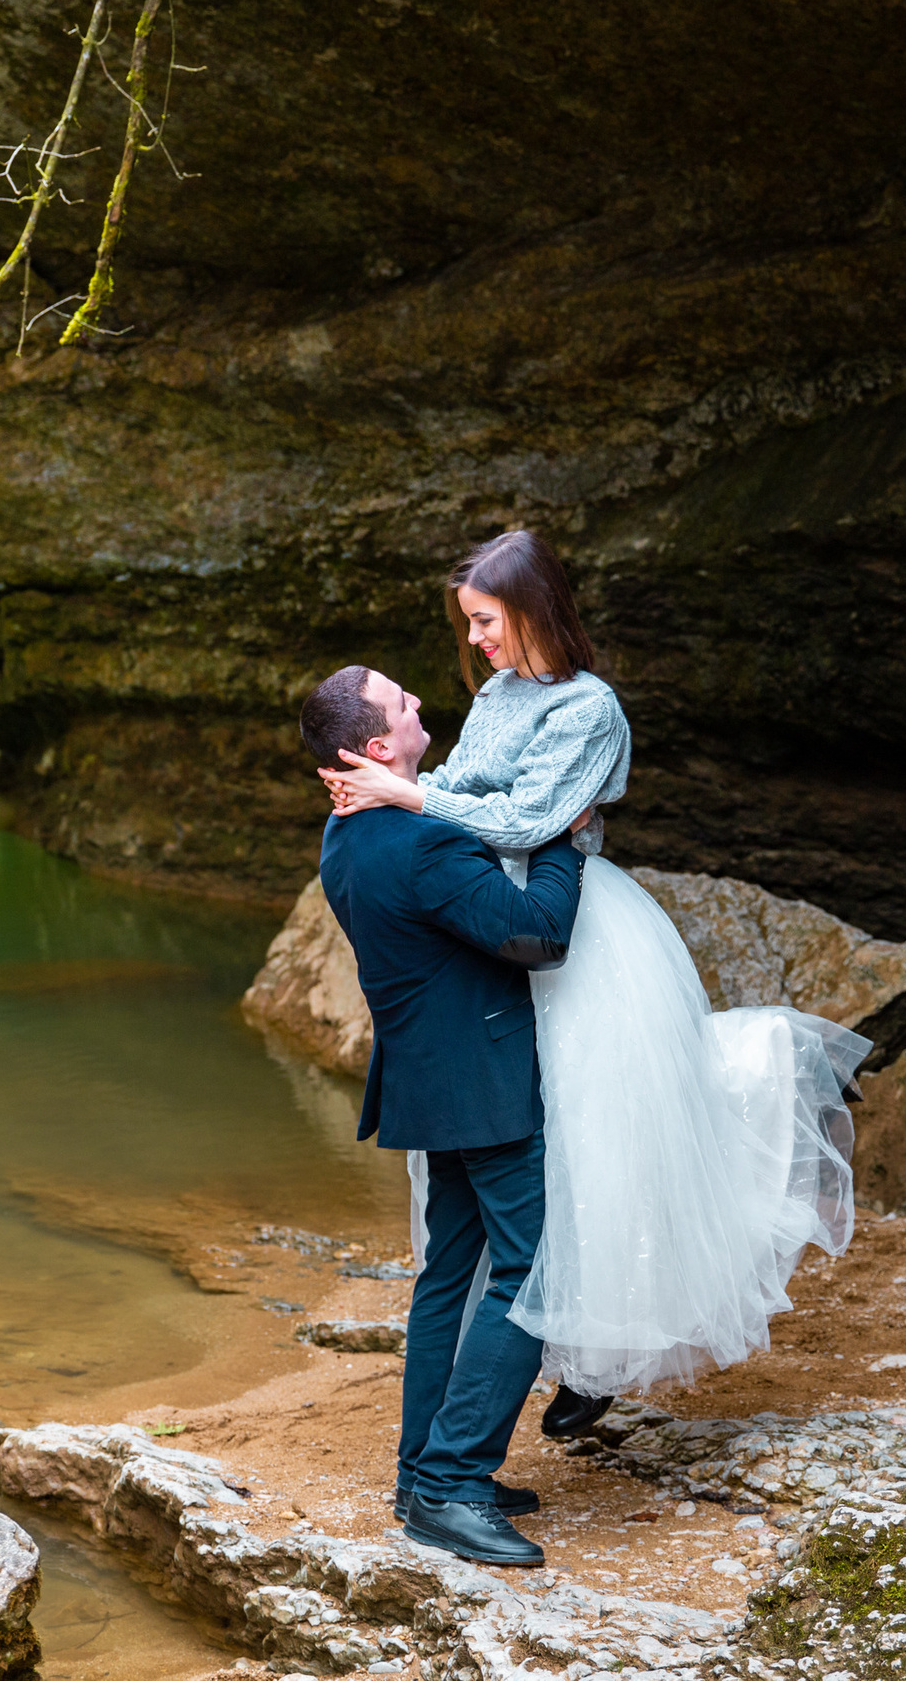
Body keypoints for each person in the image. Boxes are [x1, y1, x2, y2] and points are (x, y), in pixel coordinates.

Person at [323, 530, 865, 1404]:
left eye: (485, 620)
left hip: (564, 921)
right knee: (548, 1154)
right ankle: (557, 1355)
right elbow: (467, 785)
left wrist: (409, 797)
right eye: (469, 623)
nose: (475, 641)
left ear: (531, 609)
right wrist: (410, 801)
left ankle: (602, 1347)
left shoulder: (589, 709)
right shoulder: (501, 693)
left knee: (607, 1137)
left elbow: (530, 819)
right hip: (492, 925)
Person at [304, 662, 581, 1568]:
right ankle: (454, 1483)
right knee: (531, 1268)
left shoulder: (343, 834)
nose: (423, 702)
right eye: (404, 703)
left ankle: (418, 1472)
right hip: (481, 1079)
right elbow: (537, 933)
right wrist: (567, 839)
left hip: (427, 1078)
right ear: (376, 746)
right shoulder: (423, 841)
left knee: (448, 1275)